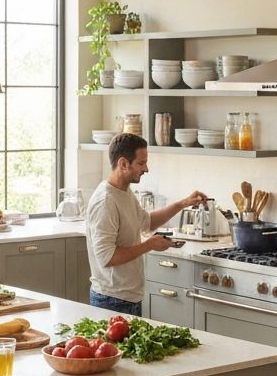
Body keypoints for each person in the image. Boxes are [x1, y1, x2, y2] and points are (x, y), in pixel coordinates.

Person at [85, 132, 207, 315]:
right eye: (141, 163)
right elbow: (107, 257)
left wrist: (183, 203)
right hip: (111, 300)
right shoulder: (105, 201)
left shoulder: (124, 192)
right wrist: (149, 245)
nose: (146, 169)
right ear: (123, 164)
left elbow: (146, 222)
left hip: (128, 297)